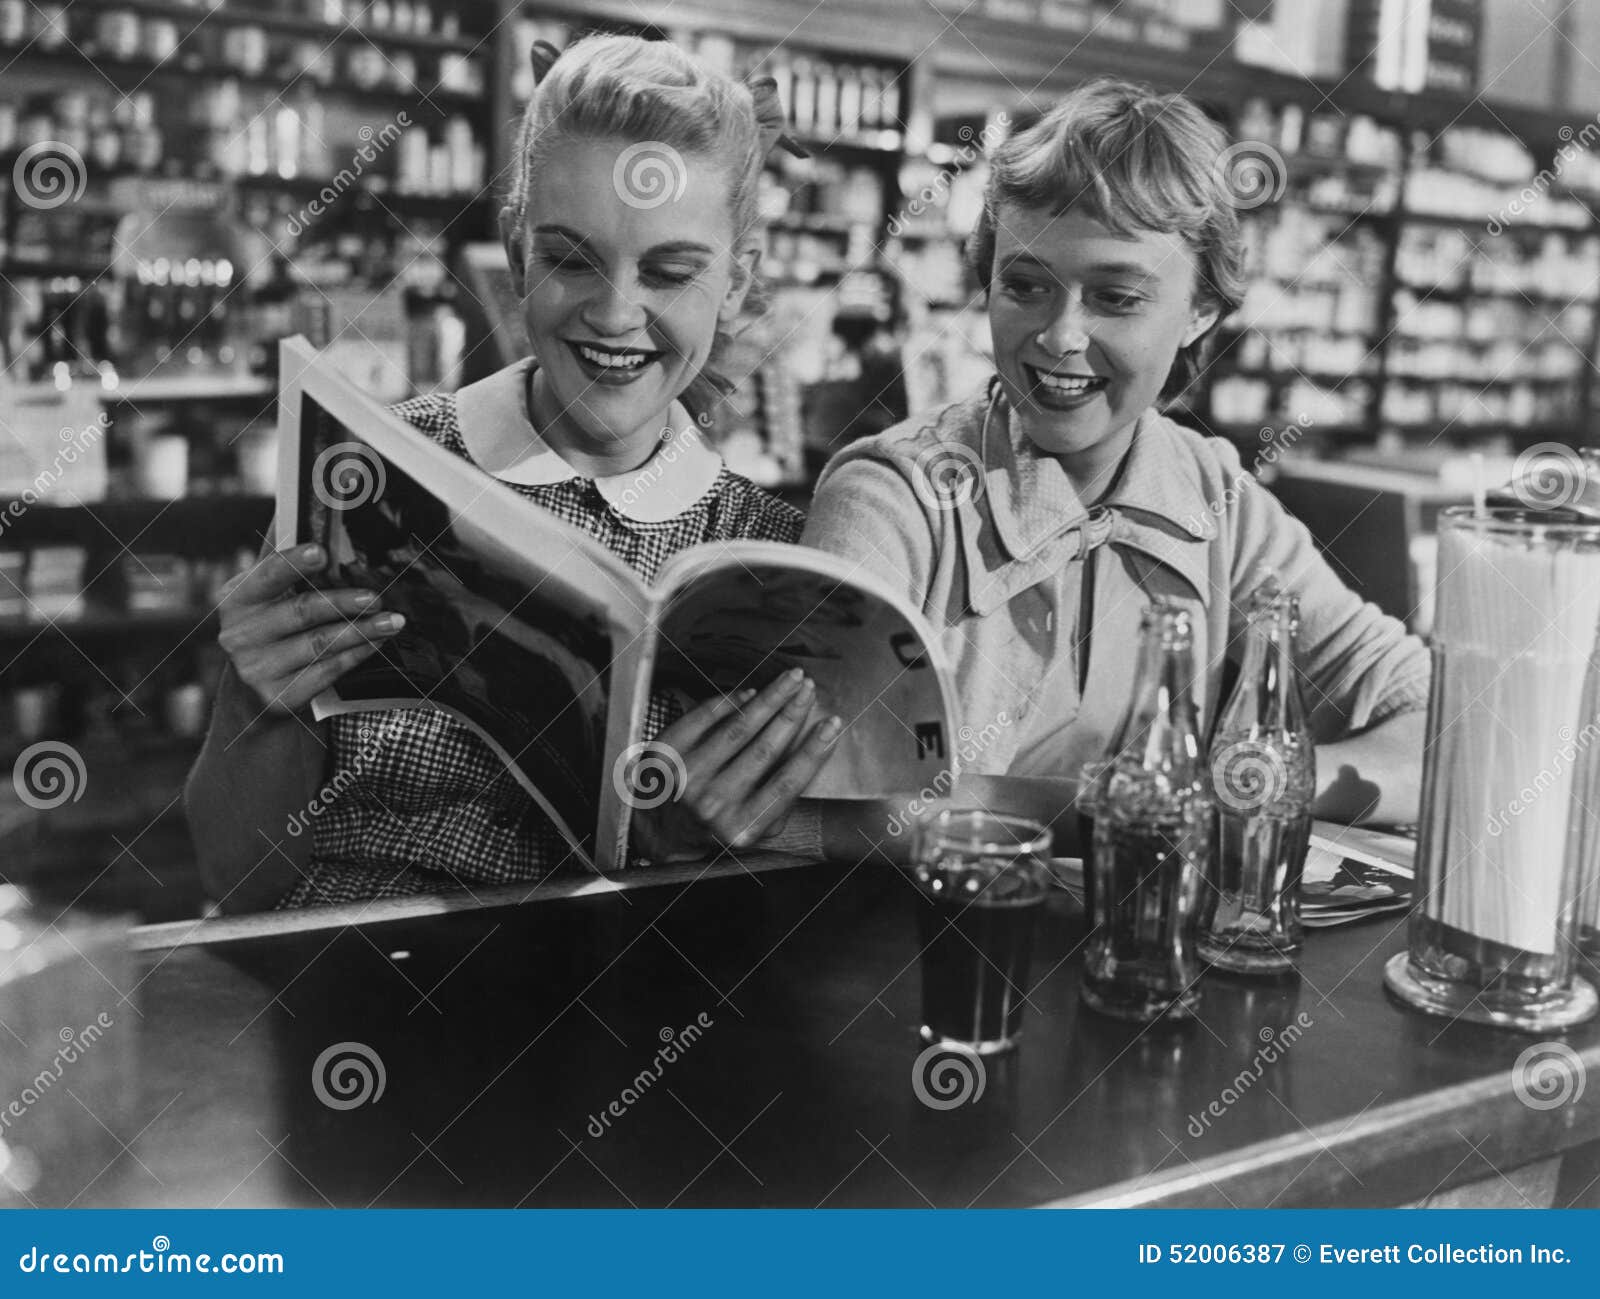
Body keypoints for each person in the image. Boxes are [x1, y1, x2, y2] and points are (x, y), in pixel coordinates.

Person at [185, 34, 837, 911]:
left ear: (737, 282)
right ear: (516, 251)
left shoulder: (768, 559)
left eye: (672, 271)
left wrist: (688, 855)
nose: (615, 314)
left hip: (617, 1013)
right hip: (347, 987)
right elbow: (238, 880)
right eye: (571, 259)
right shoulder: (367, 471)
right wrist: (252, 700)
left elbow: (771, 934)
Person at [802, 78, 1429, 826]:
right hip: (920, 941)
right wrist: (1146, 809)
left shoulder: (1214, 497)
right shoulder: (894, 498)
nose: (1060, 335)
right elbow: (828, 804)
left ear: (1200, 310)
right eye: (1026, 285)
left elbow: (1440, 721)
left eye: (1116, 297)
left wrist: (1241, 785)